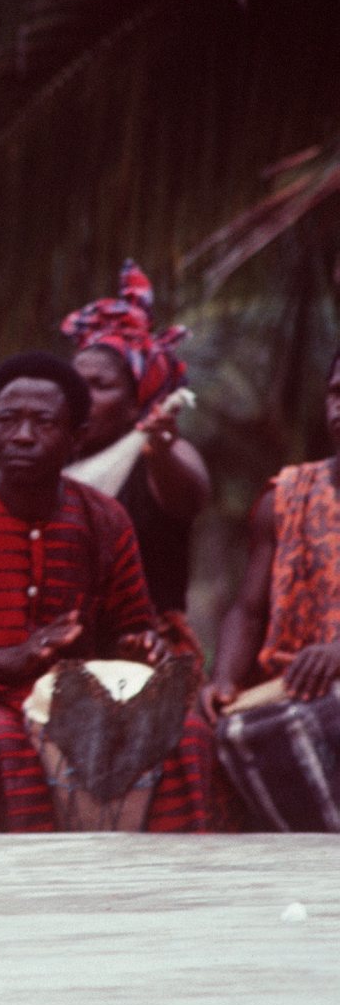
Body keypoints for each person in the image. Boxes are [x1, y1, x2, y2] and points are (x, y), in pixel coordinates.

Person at [0, 352, 219, 832]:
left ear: (76, 436)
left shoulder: (104, 519)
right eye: (8, 421)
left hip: (81, 703)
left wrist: (138, 645)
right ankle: (39, 895)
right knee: (5, 744)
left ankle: (166, 890)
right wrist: (12, 659)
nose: (22, 435)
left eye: (43, 422)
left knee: (186, 733)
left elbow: (130, 630)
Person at [201, 353, 340, 830]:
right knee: (217, 732)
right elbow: (248, 608)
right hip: (293, 688)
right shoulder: (287, 494)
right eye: (336, 393)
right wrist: (223, 679)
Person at [61, 261, 210, 614]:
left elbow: (192, 496)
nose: (82, 397)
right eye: (76, 385)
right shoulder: (54, 462)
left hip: (149, 652)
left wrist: (162, 450)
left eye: (101, 386)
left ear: (134, 404)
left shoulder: (158, 456)